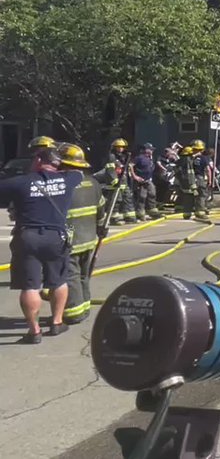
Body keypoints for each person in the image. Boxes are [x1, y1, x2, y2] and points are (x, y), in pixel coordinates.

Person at [1, 147, 82, 344]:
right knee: (59, 281)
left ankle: (34, 331)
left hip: (28, 237)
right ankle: (56, 322)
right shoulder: (69, 179)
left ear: (38, 160)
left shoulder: (20, 182)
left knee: (31, 286)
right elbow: (79, 172)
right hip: (56, 238)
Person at [57, 143, 105, 324]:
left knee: (70, 276)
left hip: (70, 237)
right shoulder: (92, 182)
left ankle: (73, 312)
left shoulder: (63, 184)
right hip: (89, 238)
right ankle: (84, 307)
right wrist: (100, 229)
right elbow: (101, 211)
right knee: (84, 275)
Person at [100, 138, 136, 225]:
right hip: (115, 183)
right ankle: (114, 218)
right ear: (114, 147)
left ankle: (129, 217)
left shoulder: (124, 157)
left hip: (124, 182)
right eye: (118, 147)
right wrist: (114, 180)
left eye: (122, 147)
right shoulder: (111, 157)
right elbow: (110, 169)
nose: (120, 149)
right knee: (116, 200)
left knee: (127, 198)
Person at [129, 143, 161, 221]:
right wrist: (135, 176)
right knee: (142, 197)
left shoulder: (150, 158)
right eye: (151, 149)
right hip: (141, 181)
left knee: (152, 194)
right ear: (146, 150)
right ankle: (140, 213)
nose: (152, 151)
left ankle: (152, 211)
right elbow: (130, 165)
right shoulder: (139, 158)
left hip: (148, 180)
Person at [175, 145, 199, 219]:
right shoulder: (188, 161)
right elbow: (190, 174)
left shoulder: (180, 160)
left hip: (181, 182)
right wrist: (193, 186)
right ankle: (187, 214)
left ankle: (180, 211)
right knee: (189, 198)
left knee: (182, 196)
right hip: (188, 182)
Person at [191, 140, 213, 217]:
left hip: (190, 178)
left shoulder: (189, 158)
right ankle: (200, 211)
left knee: (191, 194)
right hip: (199, 178)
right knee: (201, 194)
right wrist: (210, 180)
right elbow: (208, 170)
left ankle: (189, 209)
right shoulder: (204, 158)